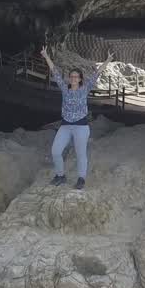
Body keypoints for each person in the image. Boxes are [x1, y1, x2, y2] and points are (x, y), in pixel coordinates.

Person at [41, 46, 112, 190]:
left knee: (80, 153)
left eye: (76, 77)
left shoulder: (84, 89)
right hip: (65, 126)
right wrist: (46, 55)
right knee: (55, 151)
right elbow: (55, 72)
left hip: (81, 126)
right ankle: (60, 175)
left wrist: (108, 60)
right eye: (71, 76)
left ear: (80, 79)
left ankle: (81, 178)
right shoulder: (64, 88)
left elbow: (96, 73)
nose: (73, 78)